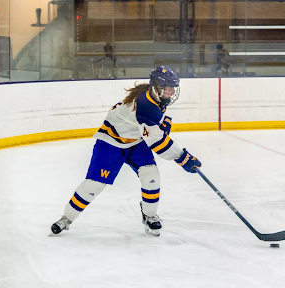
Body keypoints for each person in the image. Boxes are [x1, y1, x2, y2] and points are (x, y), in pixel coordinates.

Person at [51, 65, 202, 236]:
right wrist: (183, 157)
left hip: (136, 141)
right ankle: (66, 218)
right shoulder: (146, 105)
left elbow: (151, 131)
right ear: (156, 87)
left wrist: (160, 129)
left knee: (151, 176)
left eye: (172, 89)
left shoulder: (154, 97)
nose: (170, 93)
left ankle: (150, 216)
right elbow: (157, 142)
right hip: (111, 141)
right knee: (94, 185)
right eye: (167, 89)